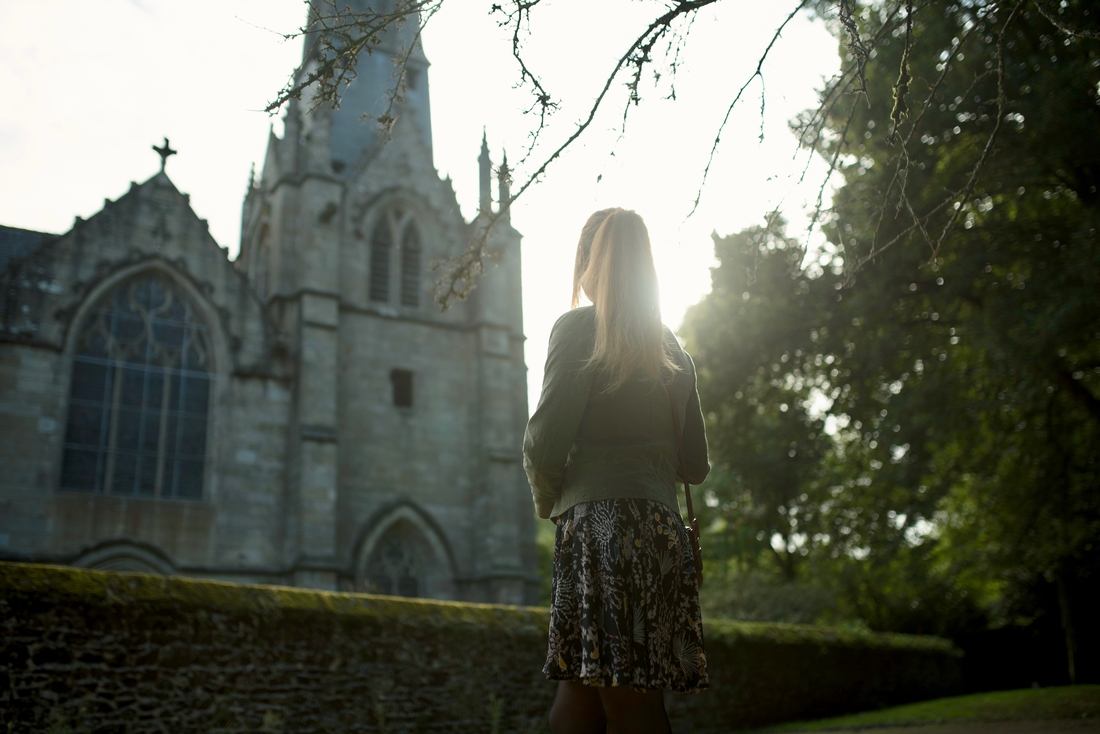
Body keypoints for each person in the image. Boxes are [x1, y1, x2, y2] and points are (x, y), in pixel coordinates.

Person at [523, 208, 710, 734]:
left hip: (597, 530)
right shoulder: (672, 348)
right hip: (657, 530)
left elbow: (543, 443)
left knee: (621, 699)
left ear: (587, 262)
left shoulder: (579, 328)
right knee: (587, 693)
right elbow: (695, 466)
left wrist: (548, 502)